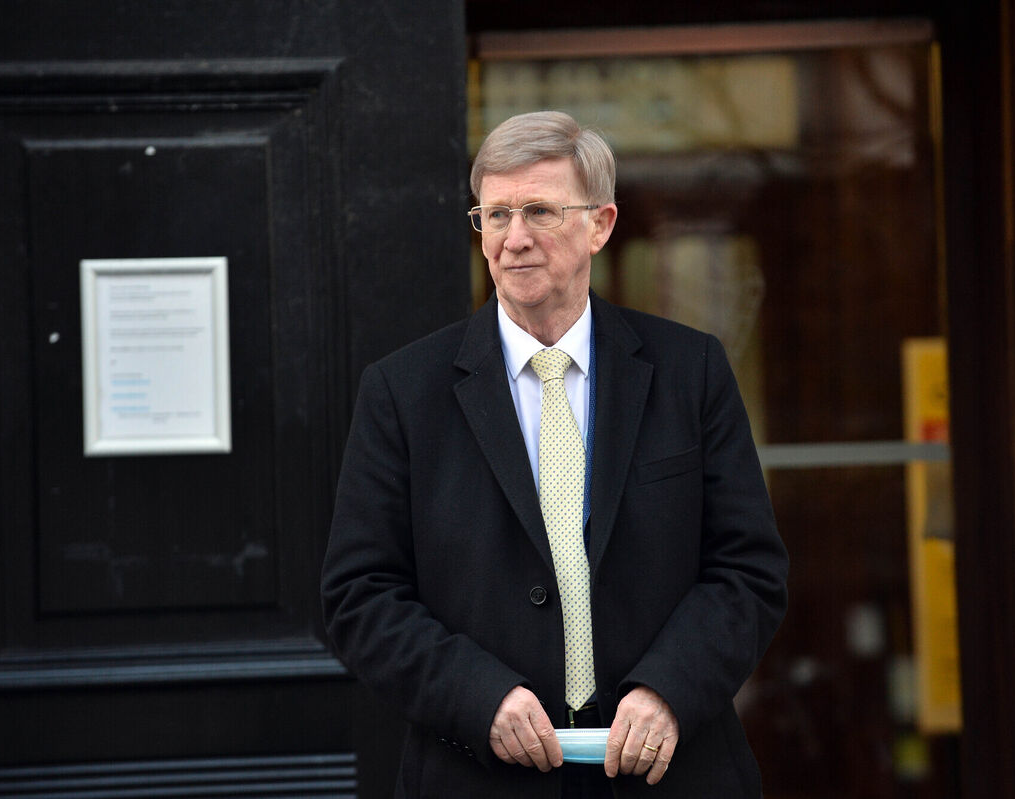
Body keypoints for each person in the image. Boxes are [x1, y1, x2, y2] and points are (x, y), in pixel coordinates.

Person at [320, 110, 788, 798]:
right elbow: (358, 597)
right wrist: (480, 698)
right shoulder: (401, 392)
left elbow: (748, 569)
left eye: (539, 211)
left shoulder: (692, 372)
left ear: (600, 223)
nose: (513, 240)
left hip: (670, 770)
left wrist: (667, 690)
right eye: (494, 215)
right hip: (478, 773)